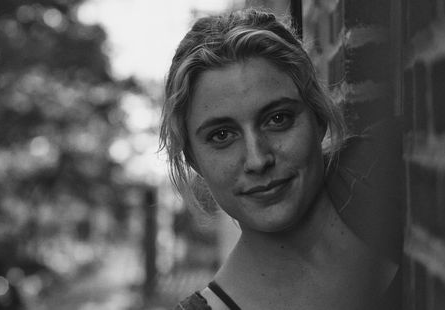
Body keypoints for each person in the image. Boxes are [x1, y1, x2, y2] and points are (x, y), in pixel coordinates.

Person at [161, 8, 399, 310]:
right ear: (194, 161)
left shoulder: (386, 172)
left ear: (318, 117)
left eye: (278, 118)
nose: (258, 159)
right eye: (222, 136)